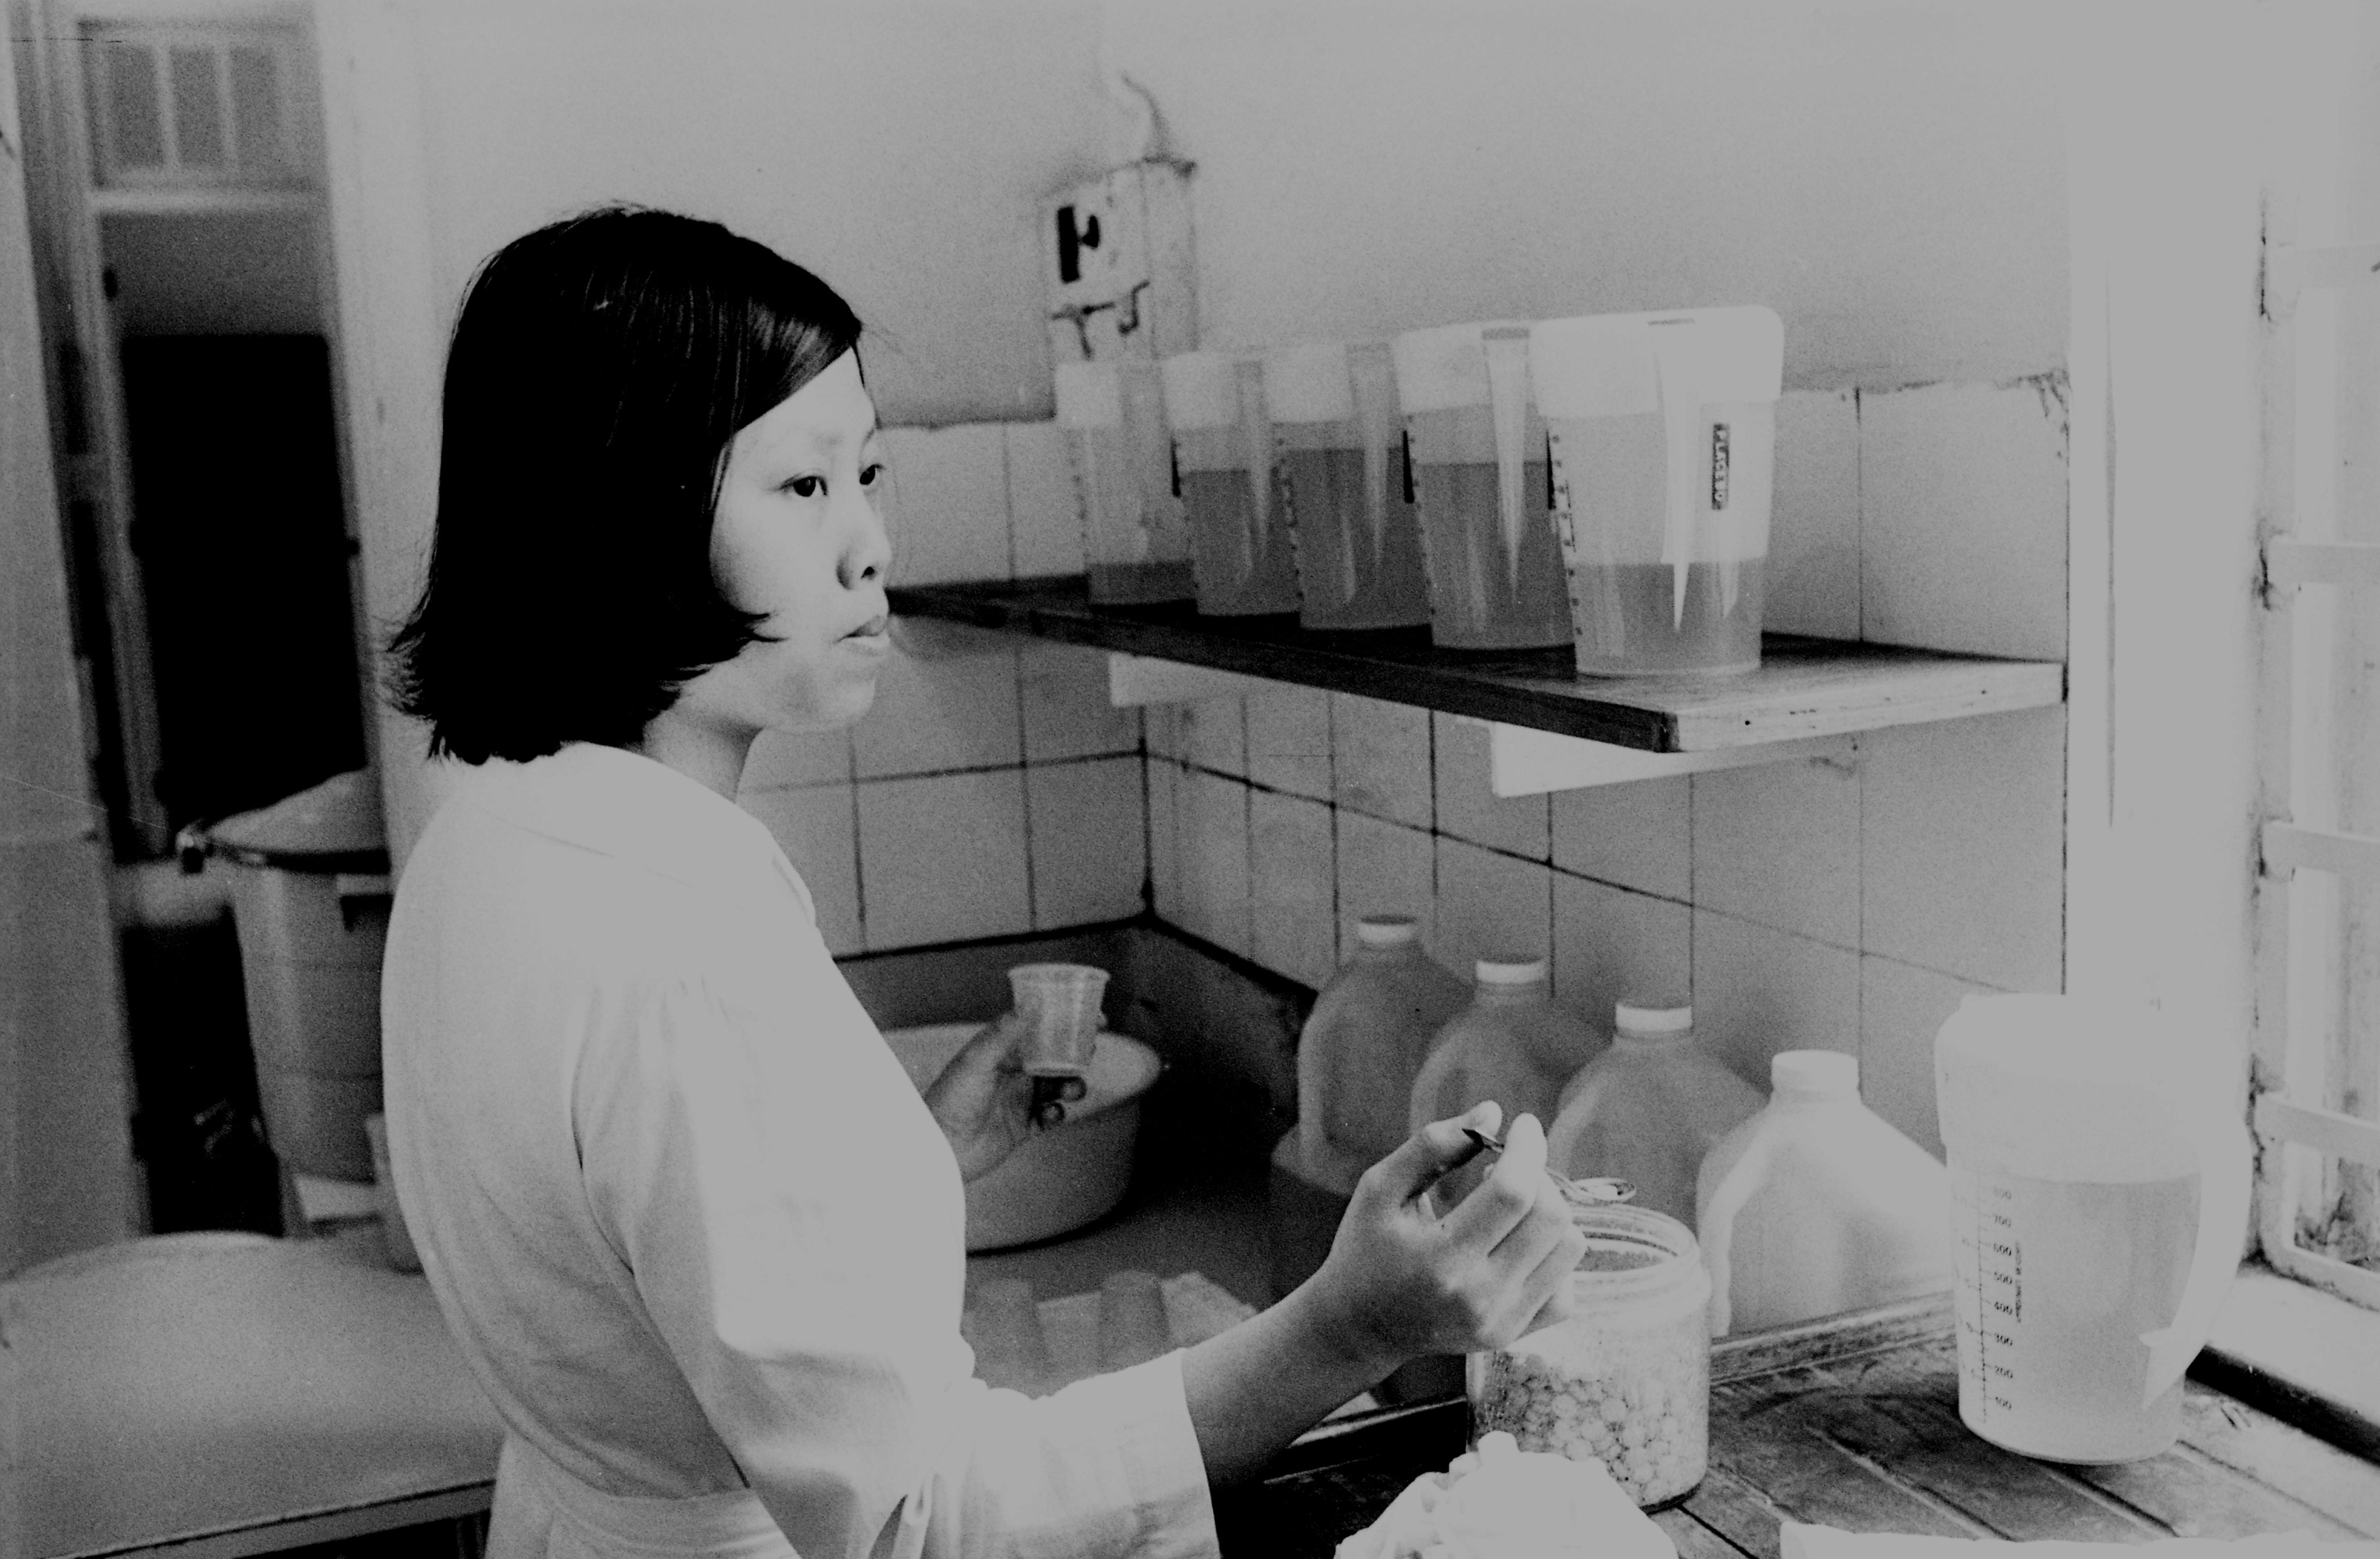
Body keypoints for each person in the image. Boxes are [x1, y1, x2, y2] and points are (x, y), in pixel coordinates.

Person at [379, 205, 1586, 1559]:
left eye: (869, 476)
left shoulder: (484, 841)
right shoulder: (680, 942)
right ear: (623, 507)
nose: (869, 545)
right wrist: (1347, 1322)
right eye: (802, 486)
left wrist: (918, 1155)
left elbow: (629, 1255)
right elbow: (923, 1521)